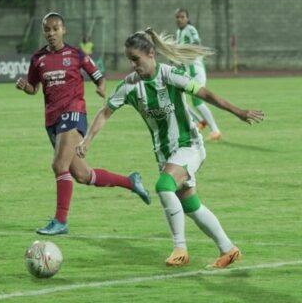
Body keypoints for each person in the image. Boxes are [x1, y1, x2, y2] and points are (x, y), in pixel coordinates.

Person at [76, 28, 264, 268]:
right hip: (166, 154)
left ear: (151, 54)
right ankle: (228, 249)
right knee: (191, 206)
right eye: (130, 60)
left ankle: (180, 248)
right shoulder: (130, 85)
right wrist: (87, 140)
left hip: (189, 145)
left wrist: (237, 111)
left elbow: (204, 92)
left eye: (136, 59)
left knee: (163, 186)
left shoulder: (169, 75)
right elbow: (105, 112)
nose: (133, 65)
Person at [16, 12, 150, 236]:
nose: (51, 33)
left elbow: (98, 75)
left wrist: (100, 86)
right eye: (47, 29)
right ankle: (130, 181)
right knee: (82, 175)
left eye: (55, 28)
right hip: (52, 119)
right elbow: (34, 88)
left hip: (74, 112)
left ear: (63, 30)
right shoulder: (38, 59)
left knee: (59, 165)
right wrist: (25, 87)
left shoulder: (76, 54)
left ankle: (60, 221)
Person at [175, 8, 222, 141]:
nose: (179, 19)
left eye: (182, 17)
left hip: (195, 71)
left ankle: (215, 130)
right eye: (177, 17)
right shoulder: (179, 32)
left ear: (187, 19)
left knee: (197, 100)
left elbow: (196, 44)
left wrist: (180, 53)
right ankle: (201, 121)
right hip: (186, 71)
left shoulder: (190, 29)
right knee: (177, 97)